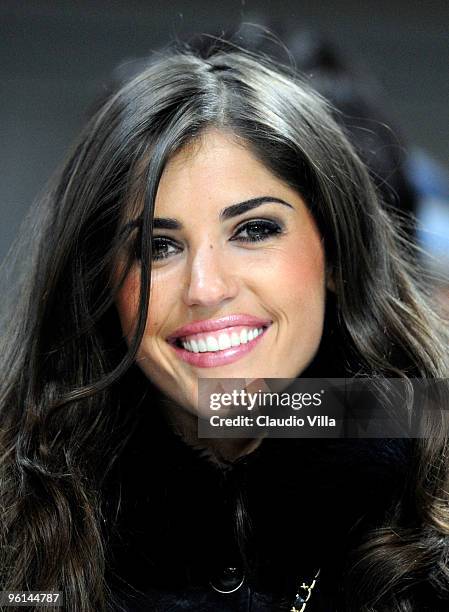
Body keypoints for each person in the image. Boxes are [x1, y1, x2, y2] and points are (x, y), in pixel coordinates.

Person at [0, 37, 448, 612]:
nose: (206, 288)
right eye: (157, 246)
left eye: (255, 230)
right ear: (101, 283)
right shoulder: (24, 540)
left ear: (335, 254)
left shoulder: (424, 491)